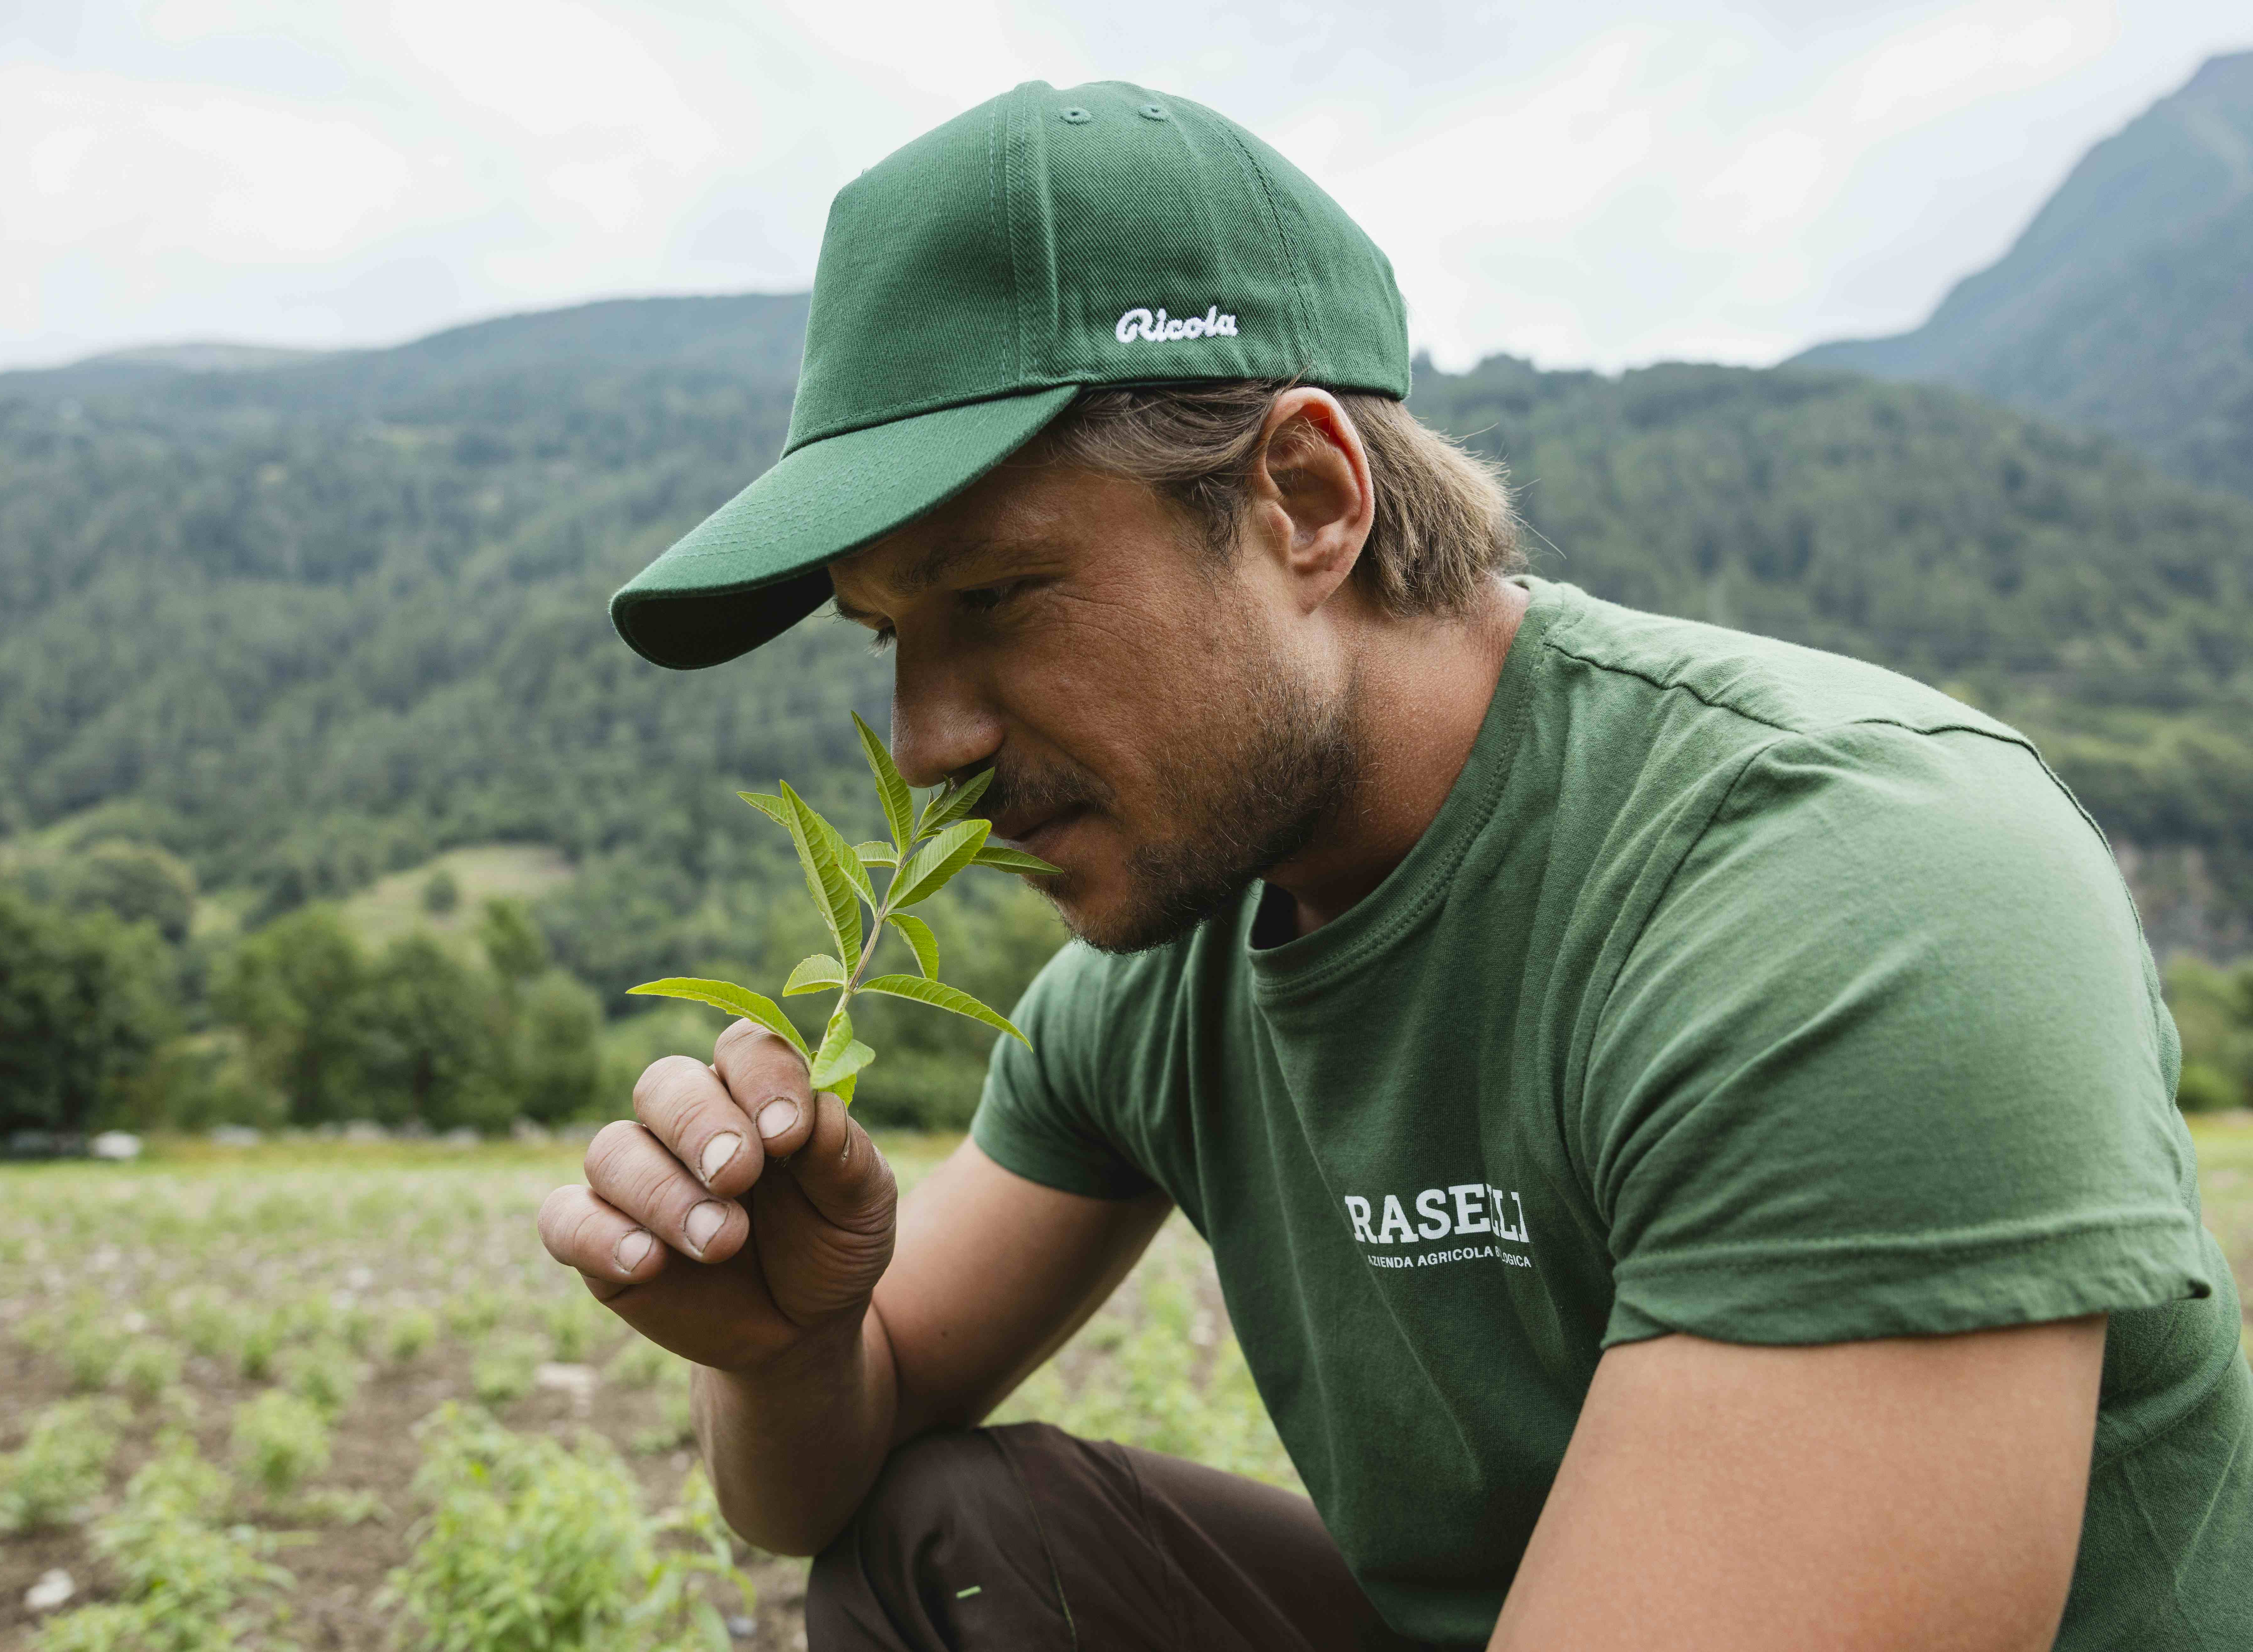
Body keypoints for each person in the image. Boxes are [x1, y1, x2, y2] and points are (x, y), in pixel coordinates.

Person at [538, 80, 2252, 1651]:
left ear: (1306, 495)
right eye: (886, 638)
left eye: (993, 597)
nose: (926, 742)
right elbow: (818, 1483)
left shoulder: (1849, 896)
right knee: (957, 1530)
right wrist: (788, 1345)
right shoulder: (1162, 974)